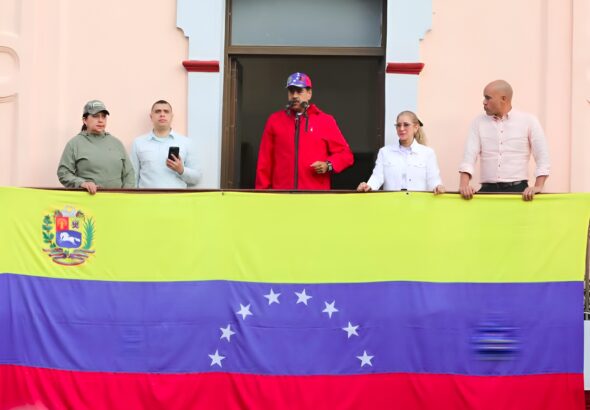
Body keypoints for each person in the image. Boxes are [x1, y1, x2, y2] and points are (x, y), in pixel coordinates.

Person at [255, 72, 354, 190]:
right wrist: (261, 194)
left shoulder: (325, 121)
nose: (295, 96)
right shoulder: (274, 121)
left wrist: (328, 165)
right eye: (291, 91)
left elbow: (346, 154)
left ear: (309, 93)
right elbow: (264, 163)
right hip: (281, 197)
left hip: (315, 198)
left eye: (299, 91)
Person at [459, 80, 550, 201]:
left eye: (488, 98)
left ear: (503, 99)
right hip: (487, 192)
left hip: (519, 193)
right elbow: (469, 156)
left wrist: (538, 187)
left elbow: (542, 156)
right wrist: (464, 186)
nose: (484, 102)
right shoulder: (478, 122)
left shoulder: (529, 121)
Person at [57, 100, 135, 195]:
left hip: (116, 202)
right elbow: (63, 173)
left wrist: (124, 195)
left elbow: (129, 173)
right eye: (95, 116)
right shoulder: (74, 144)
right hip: (88, 202)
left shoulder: (116, 143)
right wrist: (82, 183)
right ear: (85, 120)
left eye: (103, 116)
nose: (100, 120)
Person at [357, 111, 444, 194]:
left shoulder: (428, 153)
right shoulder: (384, 152)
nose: (401, 128)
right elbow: (377, 177)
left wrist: (438, 187)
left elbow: (433, 180)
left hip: (418, 206)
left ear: (416, 127)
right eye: (398, 125)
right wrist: (368, 186)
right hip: (392, 205)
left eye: (406, 125)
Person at [130, 100, 201, 188]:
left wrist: (181, 170)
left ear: (171, 116)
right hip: (147, 199)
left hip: (176, 200)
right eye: (157, 111)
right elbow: (133, 177)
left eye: (166, 111)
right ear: (151, 116)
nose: (162, 114)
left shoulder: (186, 143)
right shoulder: (138, 143)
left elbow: (197, 178)